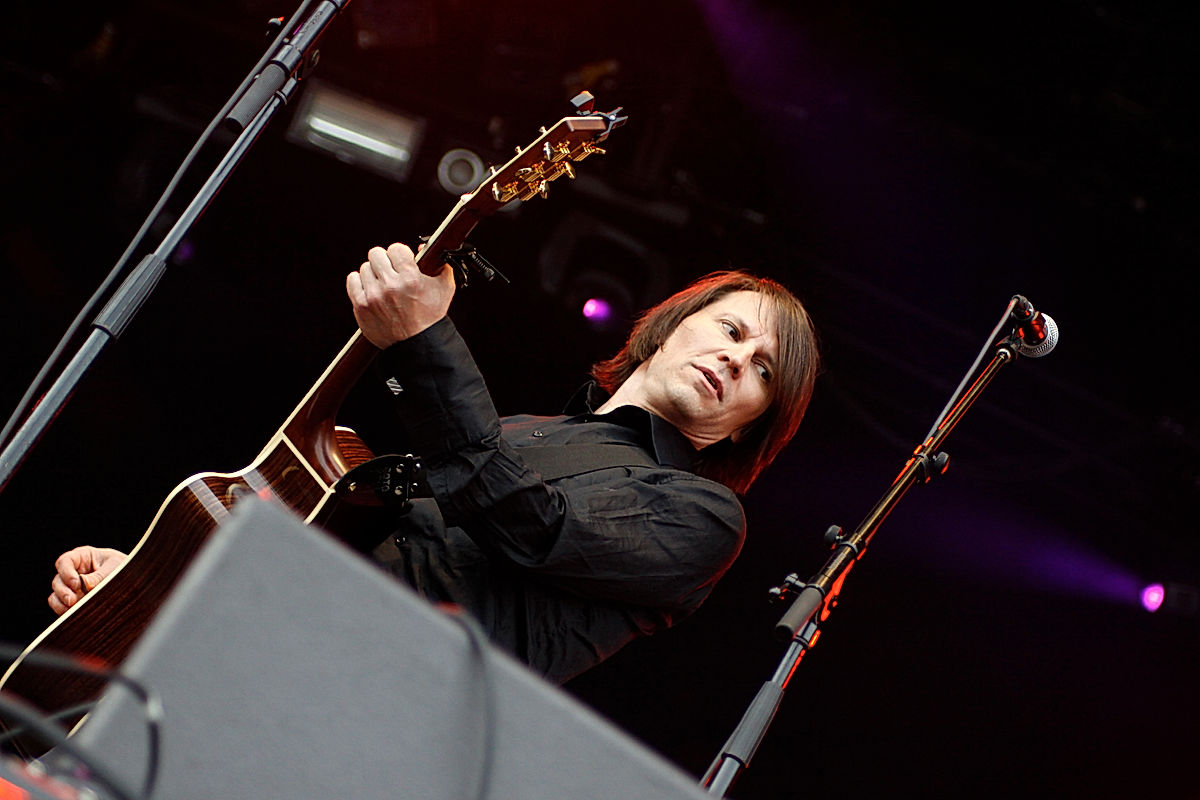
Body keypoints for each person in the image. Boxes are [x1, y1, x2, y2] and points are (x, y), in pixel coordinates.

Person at [49, 242, 819, 683]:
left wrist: (425, 342)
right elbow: (339, 549)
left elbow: (529, 525)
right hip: (260, 659)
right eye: (732, 330)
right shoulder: (526, 431)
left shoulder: (704, 517)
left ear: (744, 430)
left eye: (762, 371)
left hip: (363, 714)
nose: (737, 358)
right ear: (670, 328)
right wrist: (155, 584)